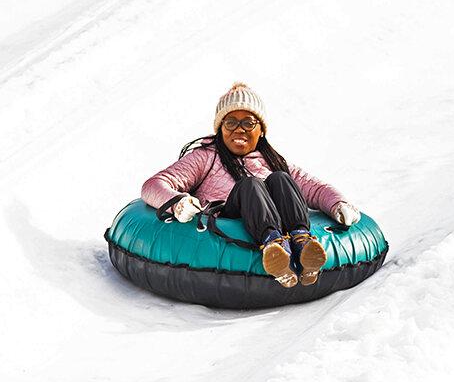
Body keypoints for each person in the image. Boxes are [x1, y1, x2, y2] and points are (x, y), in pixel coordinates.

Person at [141, 83, 361, 288]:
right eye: (230, 122)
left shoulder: (272, 160)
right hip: (230, 219)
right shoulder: (205, 157)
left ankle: (302, 244)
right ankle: (274, 250)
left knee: (281, 179)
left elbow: (313, 187)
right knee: (251, 184)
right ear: (220, 128)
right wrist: (178, 202)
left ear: (261, 130)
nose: (239, 129)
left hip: (279, 220)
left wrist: (338, 204)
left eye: (248, 122)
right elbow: (154, 184)